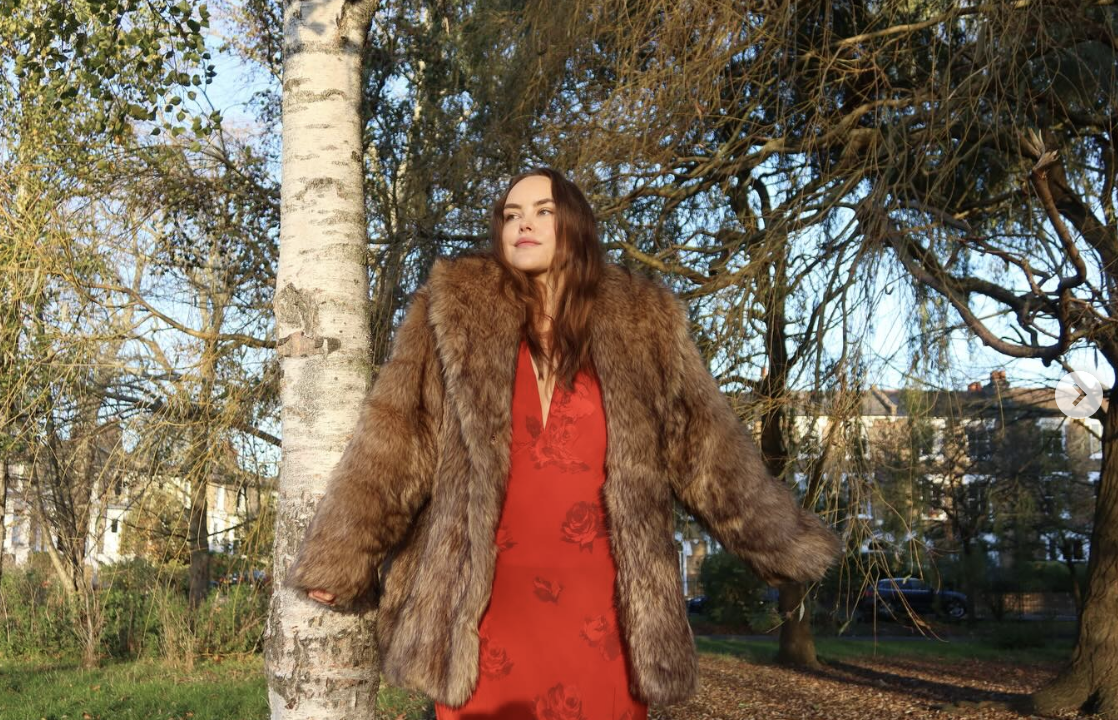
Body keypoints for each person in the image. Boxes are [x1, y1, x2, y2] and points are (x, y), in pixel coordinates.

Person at [284, 167, 842, 720]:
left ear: (573, 224)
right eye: (511, 215)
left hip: (606, 608)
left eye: (542, 212)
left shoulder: (643, 322)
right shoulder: (452, 315)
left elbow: (705, 444)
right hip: (483, 604)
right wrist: (342, 557)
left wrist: (782, 543)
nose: (522, 225)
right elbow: (396, 440)